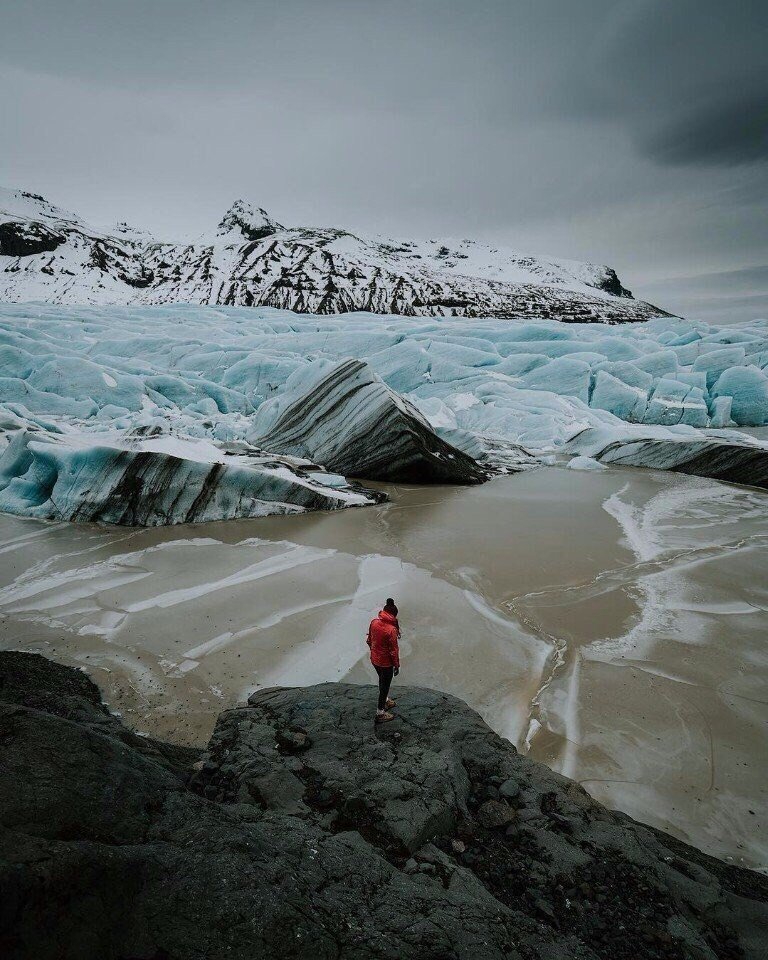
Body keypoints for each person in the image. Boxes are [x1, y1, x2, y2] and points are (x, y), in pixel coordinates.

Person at [366, 598, 400, 723]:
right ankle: (380, 713)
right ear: (394, 615)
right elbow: (393, 651)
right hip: (386, 663)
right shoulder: (391, 630)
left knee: (381, 680)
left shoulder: (374, 622)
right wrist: (396, 665)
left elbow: (369, 640)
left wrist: (375, 653)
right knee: (384, 686)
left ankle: (385, 701)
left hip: (375, 660)